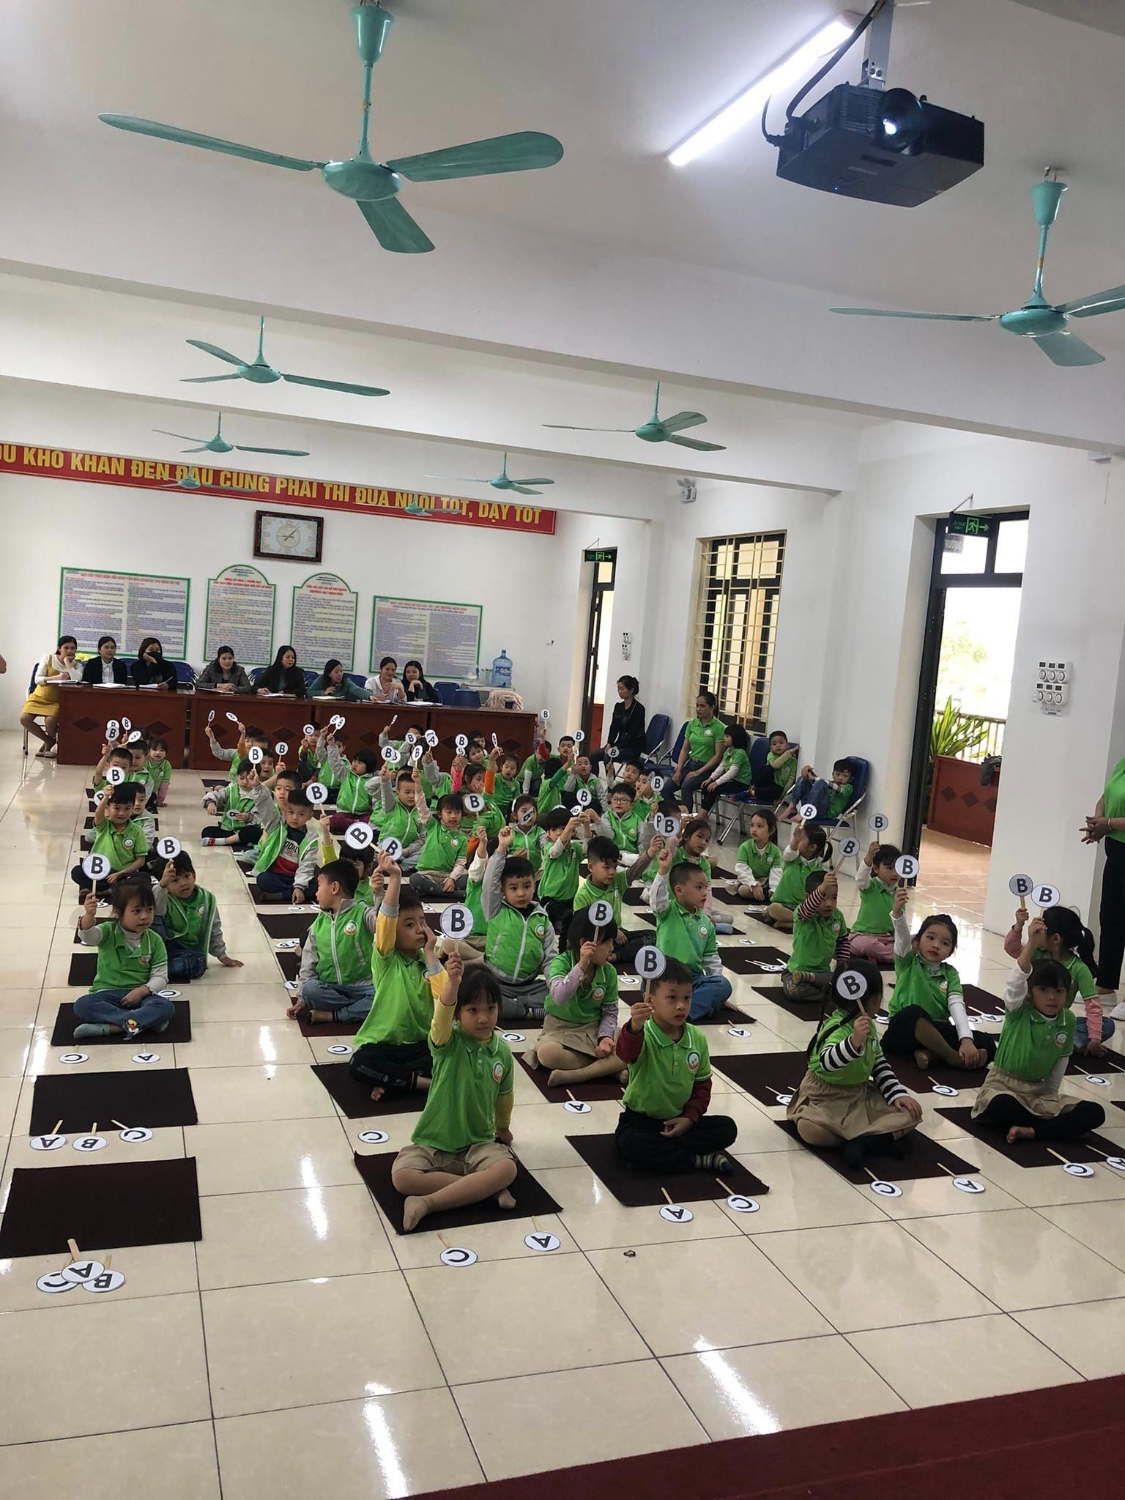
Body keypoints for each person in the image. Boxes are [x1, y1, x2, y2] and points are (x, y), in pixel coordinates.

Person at [391, 962, 517, 1232]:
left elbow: (504, 1096)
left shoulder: (503, 1053)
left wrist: (503, 1128)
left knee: (507, 1169)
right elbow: (441, 1017)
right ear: (458, 1012)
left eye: (490, 1009)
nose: (483, 1018)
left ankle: (427, 1203)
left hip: (478, 1144)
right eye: (473, 1010)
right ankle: (485, 1189)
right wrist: (452, 985)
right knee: (402, 1177)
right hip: (434, 1143)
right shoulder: (447, 1043)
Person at [787, 961, 922, 1168]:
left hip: (858, 1095)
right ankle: (875, 1139)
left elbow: (879, 1064)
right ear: (875, 999)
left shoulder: (869, 1026)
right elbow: (827, 1061)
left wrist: (897, 1095)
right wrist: (853, 1043)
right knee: (809, 1129)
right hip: (824, 1098)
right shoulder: (837, 1027)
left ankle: (860, 1143)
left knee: (910, 1114)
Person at [614, 958, 737, 1174]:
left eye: (687, 998)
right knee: (632, 1144)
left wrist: (689, 1118)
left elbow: (702, 1085)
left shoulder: (696, 1037)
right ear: (650, 1000)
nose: (681, 1005)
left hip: (679, 1120)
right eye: (672, 998)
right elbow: (625, 1054)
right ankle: (696, 1160)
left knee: (727, 1128)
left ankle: (665, 1158)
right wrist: (634, 1027)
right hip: (641, 1121)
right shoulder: (643, 1033)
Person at [972, 948, 1106, 1145]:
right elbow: (1014, 985)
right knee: (1001, 1104)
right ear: (1029, 992)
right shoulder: (1018, 1010)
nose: (1052, 997)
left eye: (1059, 991)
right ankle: (1055, 1129)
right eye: (1044, 990)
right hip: (1003, 1086)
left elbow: (1061, 1061)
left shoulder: (1068, 1019)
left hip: (1038, 1092)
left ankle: (1032, 1131)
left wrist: (1050, 1098)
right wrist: (1032, 944)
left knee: (1095, 1112)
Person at [349, 855, 446, 1098]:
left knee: (452, 1054)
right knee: (359, 1063)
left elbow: (445, 998)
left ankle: (395, 1080)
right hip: (385, 1045)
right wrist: (395, 879)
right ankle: (421, 1083)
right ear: (394, 931)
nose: (420, 929)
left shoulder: (429, 962)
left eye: (422, 922)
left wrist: (431, 954)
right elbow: (386, 920)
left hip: (422, 1045)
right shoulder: (386, 959)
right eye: (409, 925)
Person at [883, 900, 993, 1072]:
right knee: (913, 1013)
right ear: (917, 941)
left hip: (937, 1030)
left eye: (945, 943)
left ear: (951, 951)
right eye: (930, 938)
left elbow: (957, 1006)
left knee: (987, 1043)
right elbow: (902, 939)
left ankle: (930, 1054)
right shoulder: (908, 962)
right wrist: (898, 915)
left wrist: (966, 1040)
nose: (936, 945)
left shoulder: (950, 974)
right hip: (905, 1030)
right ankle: (953, 1058)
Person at [525, 908, 625, 1087]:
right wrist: (581, 966)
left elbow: (610, 1011)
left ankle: (576, 1075)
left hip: (593, 1029)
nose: (612, 948)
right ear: (585, 944)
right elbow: (559, 996)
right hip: (559, 1029)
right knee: (547, 1054)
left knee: (633, 1040)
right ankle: (608, 1068)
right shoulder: (560, 963)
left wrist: (605, 1037)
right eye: (606, 942)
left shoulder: (608, 972)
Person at [73, 878, 174, 1040]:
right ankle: (141, 1022)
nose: (144, 916)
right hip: (106, 994)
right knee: (82, 1005)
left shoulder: (155, 940)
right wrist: (89, 915)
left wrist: (141, 992)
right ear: (118, 913)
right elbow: (88, 936)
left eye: (149, 909)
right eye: (137, 911)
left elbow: (160, 976)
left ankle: (112, 1027)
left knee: (165, 1006)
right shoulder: (108, 931)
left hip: (141, 996)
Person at [1004, 907, 1112, 1056]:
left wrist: (1095, 1040)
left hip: (1056, 1020)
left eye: (1041, 929)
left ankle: (1063, 1043)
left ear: (1055, 939)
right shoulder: (1037, 953)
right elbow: (1012, 949)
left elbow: (1093, 1006)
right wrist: (1019, 926)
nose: (1036, 930)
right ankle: (1065, 1044)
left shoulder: (1079, 968)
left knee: (1106, 1024)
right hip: (1030, 1018)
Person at [288, 859, 378, 1025]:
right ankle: (358, 1010)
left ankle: (333, 1015)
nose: (316, 893)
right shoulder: (320, 922)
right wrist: (301, 999)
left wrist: (379, 895)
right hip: (331, 988)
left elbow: (385, 925)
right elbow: (308, 961)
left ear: (334, 888)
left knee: (386, 993)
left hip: (363, 986)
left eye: (319, 886)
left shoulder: (362, 912)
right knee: (310, 990)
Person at [480, 832, 557, 1019]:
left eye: (527, 886)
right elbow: (489, 882)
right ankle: (527, 1011)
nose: (521, 893)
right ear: (502, 890)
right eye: (513, 888)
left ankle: (521, 1006)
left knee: (562, 996)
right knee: (480, 997)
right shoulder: (495, 909)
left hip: (529, 986)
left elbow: (550, 959)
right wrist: (501, 849)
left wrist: (556, 985)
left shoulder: (542, 918)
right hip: (496, 982)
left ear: (534, 885)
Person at [649, 851, 734, 1021]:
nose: (704, 893)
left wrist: (719, 993)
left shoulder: (706, 922)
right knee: (648, 984)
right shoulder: (667, 911)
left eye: (705, 887)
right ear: (679, 890)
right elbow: (656, 898)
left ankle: (681, 1011)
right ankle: (692, 1006)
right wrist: (663, 871)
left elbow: (711, 959)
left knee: (723, 985)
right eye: (698, 887)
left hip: (692, 979)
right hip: (664, 974)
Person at [154, 852, 241, 979]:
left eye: (186, 876)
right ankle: (156, 966)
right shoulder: (164, 898)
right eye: (175, 880)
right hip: (164, 948)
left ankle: (158, 969)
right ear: (166, 885)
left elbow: (214, 928)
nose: (183, 883)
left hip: (189, 953)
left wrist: (222, 955)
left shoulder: (207, 899)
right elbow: (154, 909)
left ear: (194, 875)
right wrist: (161, 886)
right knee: (154, 922)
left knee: (198, 964)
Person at [1082, 765, 1125, 1021]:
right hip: (1117, 851)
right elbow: (1105, 797)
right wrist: (1097, 821)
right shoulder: (1122, 764)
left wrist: (1108, 823)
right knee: (1111, 918)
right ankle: (1106, 985)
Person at [783, 869, 851, 1003]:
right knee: (794, 992)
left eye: (834, 898)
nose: (829, 904)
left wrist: (842, 965)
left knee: (841, 982)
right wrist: (822, 888)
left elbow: (842, 941)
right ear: (807, 897)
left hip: (823, 973)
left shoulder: (837, 916)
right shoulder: (803, 913)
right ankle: (826, 993)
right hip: (795, 972)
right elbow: (807, 909)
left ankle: (813, 980)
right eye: (823, 897)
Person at [70, 783, 148, 891]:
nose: (121, 813)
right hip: (101, 873)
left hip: (123, 875)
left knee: (144, 877)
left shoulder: (137, 831)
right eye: (116, 808)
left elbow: (140, 860)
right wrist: (106, 797)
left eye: (127, 808)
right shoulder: (103, 825)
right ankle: (110, 889)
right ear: (107, 808)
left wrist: (121, 873)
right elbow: (98, 813)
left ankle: (107, 889)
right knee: (77, 872)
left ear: (132, 810)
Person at [20, 634, 82, 755]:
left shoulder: (77, 665)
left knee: (50, 721)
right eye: (66, 648)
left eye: (73, 648)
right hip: (39, 697)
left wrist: (67, 663)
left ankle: (49, 746)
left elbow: (77, 680)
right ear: (59, 648)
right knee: (24, 719)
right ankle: (49, 740)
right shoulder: (47, 658)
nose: (69, 651)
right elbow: (37, 679)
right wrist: (56, 677)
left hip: (57, 701)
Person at [252, 788, 317, 901]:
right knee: (262, 879)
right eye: (291, 812)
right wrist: (257, 788)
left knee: (318, 884)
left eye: (301, 814)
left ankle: (283, 895)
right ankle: (290, 894)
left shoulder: (311, 839)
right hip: (276, 875)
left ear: (310, 816)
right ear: (285, 811)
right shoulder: (277, 825)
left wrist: (299, 886)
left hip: (295, 878)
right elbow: (266, 808)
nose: (295, 818)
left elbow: (307, 866)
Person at [765, 819, 828, 930]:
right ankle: (800, 923)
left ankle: (793, 923)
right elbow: (789, 852)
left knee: (821, 915)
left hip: (804, 909)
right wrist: (795, 839)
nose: (797, 841)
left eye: (801, 839)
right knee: (773, 908)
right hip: (783, 904)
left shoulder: (818, 870)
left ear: (812, 847)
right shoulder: (792, 859)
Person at [848, 841, 902, 966]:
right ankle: (896, 956)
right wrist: (869, 857)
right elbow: (860, 878)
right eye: (889, 868)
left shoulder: (899, 893)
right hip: (863, 935)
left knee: (916, 939)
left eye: (897, 868)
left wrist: (901, 939)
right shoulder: (870, 886)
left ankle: (886, 954)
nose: (894, 873)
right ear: (876, 868)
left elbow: (899, 922)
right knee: (866, 945)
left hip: (888, 938)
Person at [671, 691, 725, 808]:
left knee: (686, 786)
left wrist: (698, 772)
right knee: (666, 789)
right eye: (697, 706)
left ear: (712, 707)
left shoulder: (719, 727)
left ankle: (687, 817)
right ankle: (677, 812)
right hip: (691, 764)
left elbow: (718, 755)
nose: (698, 709)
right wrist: (679, 769)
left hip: (707, 768)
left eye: (702, 706)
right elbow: (685, 749)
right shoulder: (692, 724)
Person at [410, 793, 471, 896]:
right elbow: (421, 806)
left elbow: (460, 863)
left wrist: (452, 878)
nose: (453, 816)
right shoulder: (433, 826)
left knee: (471, 878)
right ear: (439, 814)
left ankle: (435, 891)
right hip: (427, 874)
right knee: (414, 879)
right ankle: (451, 894)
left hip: (448, 876)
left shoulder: (463, 839)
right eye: (449, 812)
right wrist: (418, 788)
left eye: (457, 812)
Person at [201, 760, 268, 848]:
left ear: (257, 778)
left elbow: (262, 817)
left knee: (254, 833)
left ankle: (223, 841)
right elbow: (217, 795)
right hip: (228, 829)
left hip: (246, 829)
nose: (245, 782)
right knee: (206, 832)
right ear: (237, 776)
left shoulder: (260, 794)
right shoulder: (231, 789)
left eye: (249, 779)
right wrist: (211, 802)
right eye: (241, 778)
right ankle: (239, 841)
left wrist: (249, 817)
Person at [590, 676, 646, 772]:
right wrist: (609, 743)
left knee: (608, 757)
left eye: (622, 689)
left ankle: (610, 780)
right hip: (619, 744)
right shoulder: (618, 707)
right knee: (594, 755)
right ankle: (593, 779)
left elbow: (632, 733)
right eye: (618, 689)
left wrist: (616, 747)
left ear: (631, 690)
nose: (619, 692)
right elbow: (614, 728)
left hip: (633, 747)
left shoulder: (639, 709)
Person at [778, 758, 857, 823]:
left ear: (851, 779)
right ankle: (792, 806)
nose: (840, 778)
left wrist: (814, 778)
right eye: (838, 774)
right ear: (832, 774)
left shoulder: (848, 788)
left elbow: (836, 788)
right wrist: (808, 772)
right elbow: (818, 785)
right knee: (803, 778)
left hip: (825, 813)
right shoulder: (829, 783)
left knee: (821, 783)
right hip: (814, 807)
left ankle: (804, 813)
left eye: (845, 776)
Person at [699, 723, 754, 814]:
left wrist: (717, 783)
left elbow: (732, 772)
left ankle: (703, 814)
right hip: (732, 781)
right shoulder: (728, 751)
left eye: (727, 736)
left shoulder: (740, 753)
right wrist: (711, 778)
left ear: (736, 738)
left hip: (740, 784)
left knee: (713, 789)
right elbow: (721, 767)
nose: (724, 738)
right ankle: (703, 812)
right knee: (706, 786)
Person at [729, 809, 782, 902]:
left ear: (771, 830)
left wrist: (774, 890)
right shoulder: (745, 847)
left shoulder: (775, 851)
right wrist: (753, 884)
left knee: (780, 891)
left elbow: (776, 873)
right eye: (752, 825)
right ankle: (763, 895)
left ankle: (766, 894)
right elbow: (742, 870)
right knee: (743, 890)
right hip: (748, 883)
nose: (754, 829)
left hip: (765, 883)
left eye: (759, 826)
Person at [748, 730, 798, 807]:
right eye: (774, 744)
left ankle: (753, 793)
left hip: (776, 788)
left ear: (787, 745)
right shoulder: (771, 755)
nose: (778, 745)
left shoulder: (793, 762)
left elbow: (790, 781)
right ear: (771, 748)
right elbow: (775, 765)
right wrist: (788, 753)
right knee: (767, 769)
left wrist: (781, 798)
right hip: (765, 783)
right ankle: (754, 788)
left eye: (781, 743)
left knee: (777, 790)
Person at [145, 737, 172, 807]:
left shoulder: (166, 765)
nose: (158, 752)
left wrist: (160, 801)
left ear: (166, 753)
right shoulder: (145, 763)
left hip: (152, 793)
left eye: (162, 750)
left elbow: (164, 785)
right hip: (141, 791)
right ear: (149, 751)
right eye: (155, 749)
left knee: (152, 798)